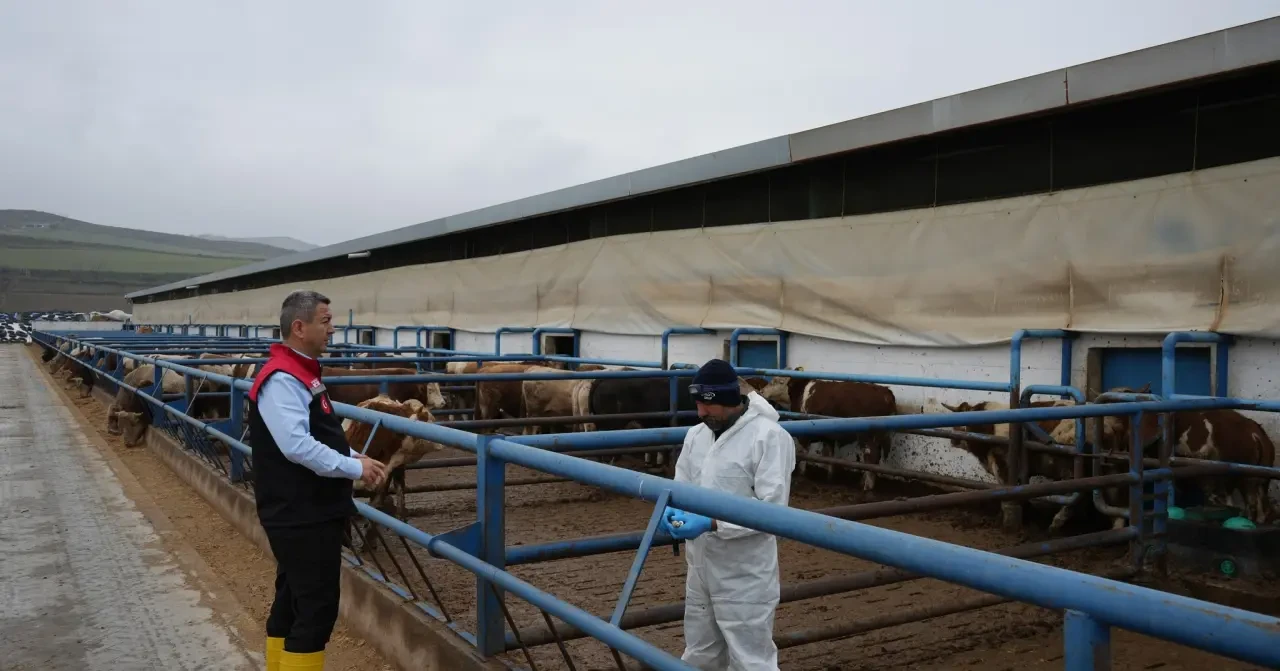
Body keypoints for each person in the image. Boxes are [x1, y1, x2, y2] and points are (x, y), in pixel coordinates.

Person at [247, 290, 388, 671]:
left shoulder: (301, 373)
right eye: (325, 322)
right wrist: (354, 469)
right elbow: (296, 446)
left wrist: (355, 456)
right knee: (316, 609)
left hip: (305, 509)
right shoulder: (283, 379)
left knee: (292, 597)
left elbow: (317, 434)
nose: (332, 329)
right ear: (299, 327)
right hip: (300, 512)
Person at [660, 358, 797, 671]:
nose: (701, 413)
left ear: (729, 400)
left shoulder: (769, 438)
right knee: (699, 652)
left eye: (708, 406)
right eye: (697, 405)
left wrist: (712, 523)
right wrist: (672, 510)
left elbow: (772, 508)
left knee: (750, 659)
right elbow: (682, 485)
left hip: (744, 573)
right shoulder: (697, 435)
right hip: (701, 566)